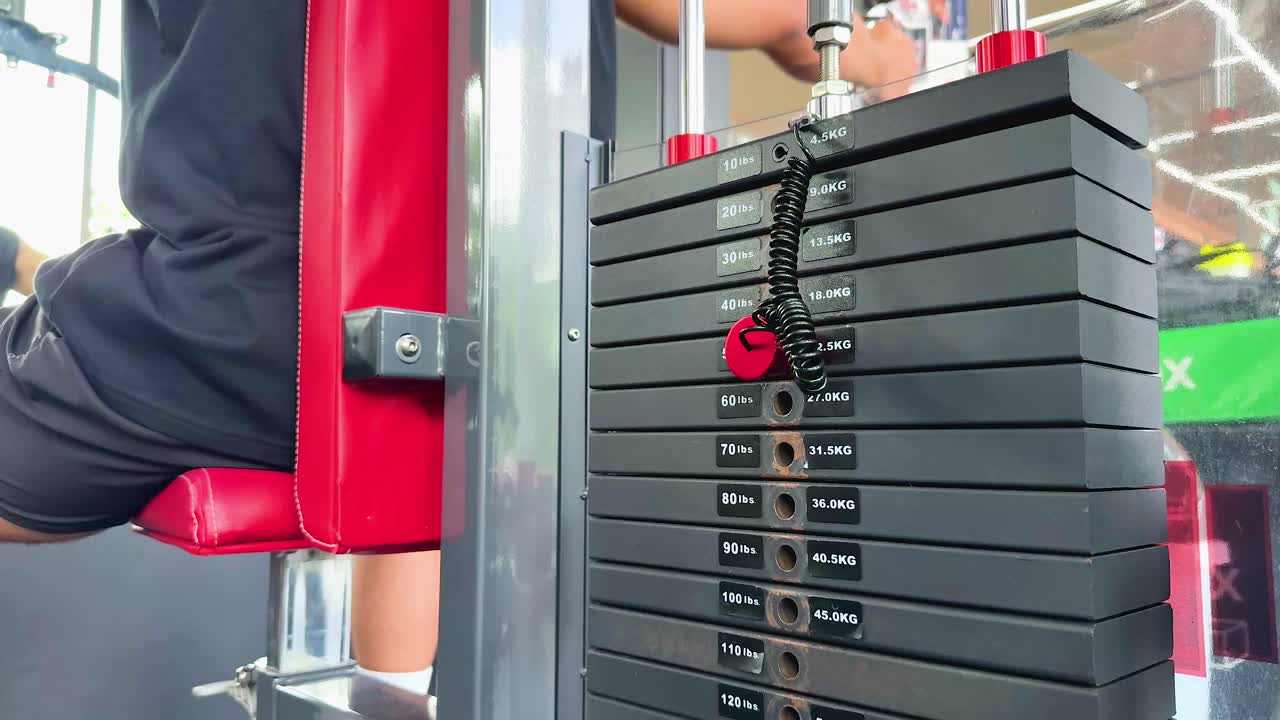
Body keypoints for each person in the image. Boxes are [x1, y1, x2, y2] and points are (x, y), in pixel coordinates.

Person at [0, 1, 916, 717]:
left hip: (224, 322)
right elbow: (780, 26)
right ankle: (395, 685)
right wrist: (873, 50)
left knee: (423, 386)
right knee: (440, 418)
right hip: (516, 340)